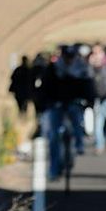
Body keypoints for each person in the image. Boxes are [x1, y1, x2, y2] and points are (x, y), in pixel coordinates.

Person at [38, 44, 94, 180]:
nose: (69, 60)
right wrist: (45, 103)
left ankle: (79, 144)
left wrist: (88, 101)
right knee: (54, 135)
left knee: (77, 121)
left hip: (74, 102)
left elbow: (88, 86)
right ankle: (54, 168)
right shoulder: (53, 69)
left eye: (71, 57)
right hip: (56, 103)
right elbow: (45, 87)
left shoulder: (81, 69)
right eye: (66, 57)